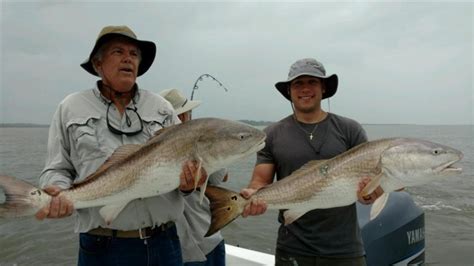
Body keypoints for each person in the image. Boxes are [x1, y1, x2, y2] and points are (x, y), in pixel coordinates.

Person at [35, 25, 206, 266]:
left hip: (164, 242)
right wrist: (56, 191)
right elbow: (57, 168)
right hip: (101, 246)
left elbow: (184, 173)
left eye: (134, 54)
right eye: (118, 51)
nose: (128, 58)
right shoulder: (70, 108)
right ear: (98, 64)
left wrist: (190, 185)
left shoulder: (162, 108)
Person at [240, 58, 383, 266]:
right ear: (289, 90)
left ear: (323, 87)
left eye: (312, 82)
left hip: (345, 249)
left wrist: (369, 195)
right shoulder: (271, 134)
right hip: (292, 248)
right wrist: (252, 196)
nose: (305, 89)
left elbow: (367, 185)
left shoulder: (350, 130)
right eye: (298, 83)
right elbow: (260, 182)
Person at [160, 88, 227, 266]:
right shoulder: (160, 151)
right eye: (185, 114)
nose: (187, 118)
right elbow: (222, 178)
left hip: (204, 241)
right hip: (186, 246)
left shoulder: (198, 146)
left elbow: (220, 178)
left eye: (188, 114)